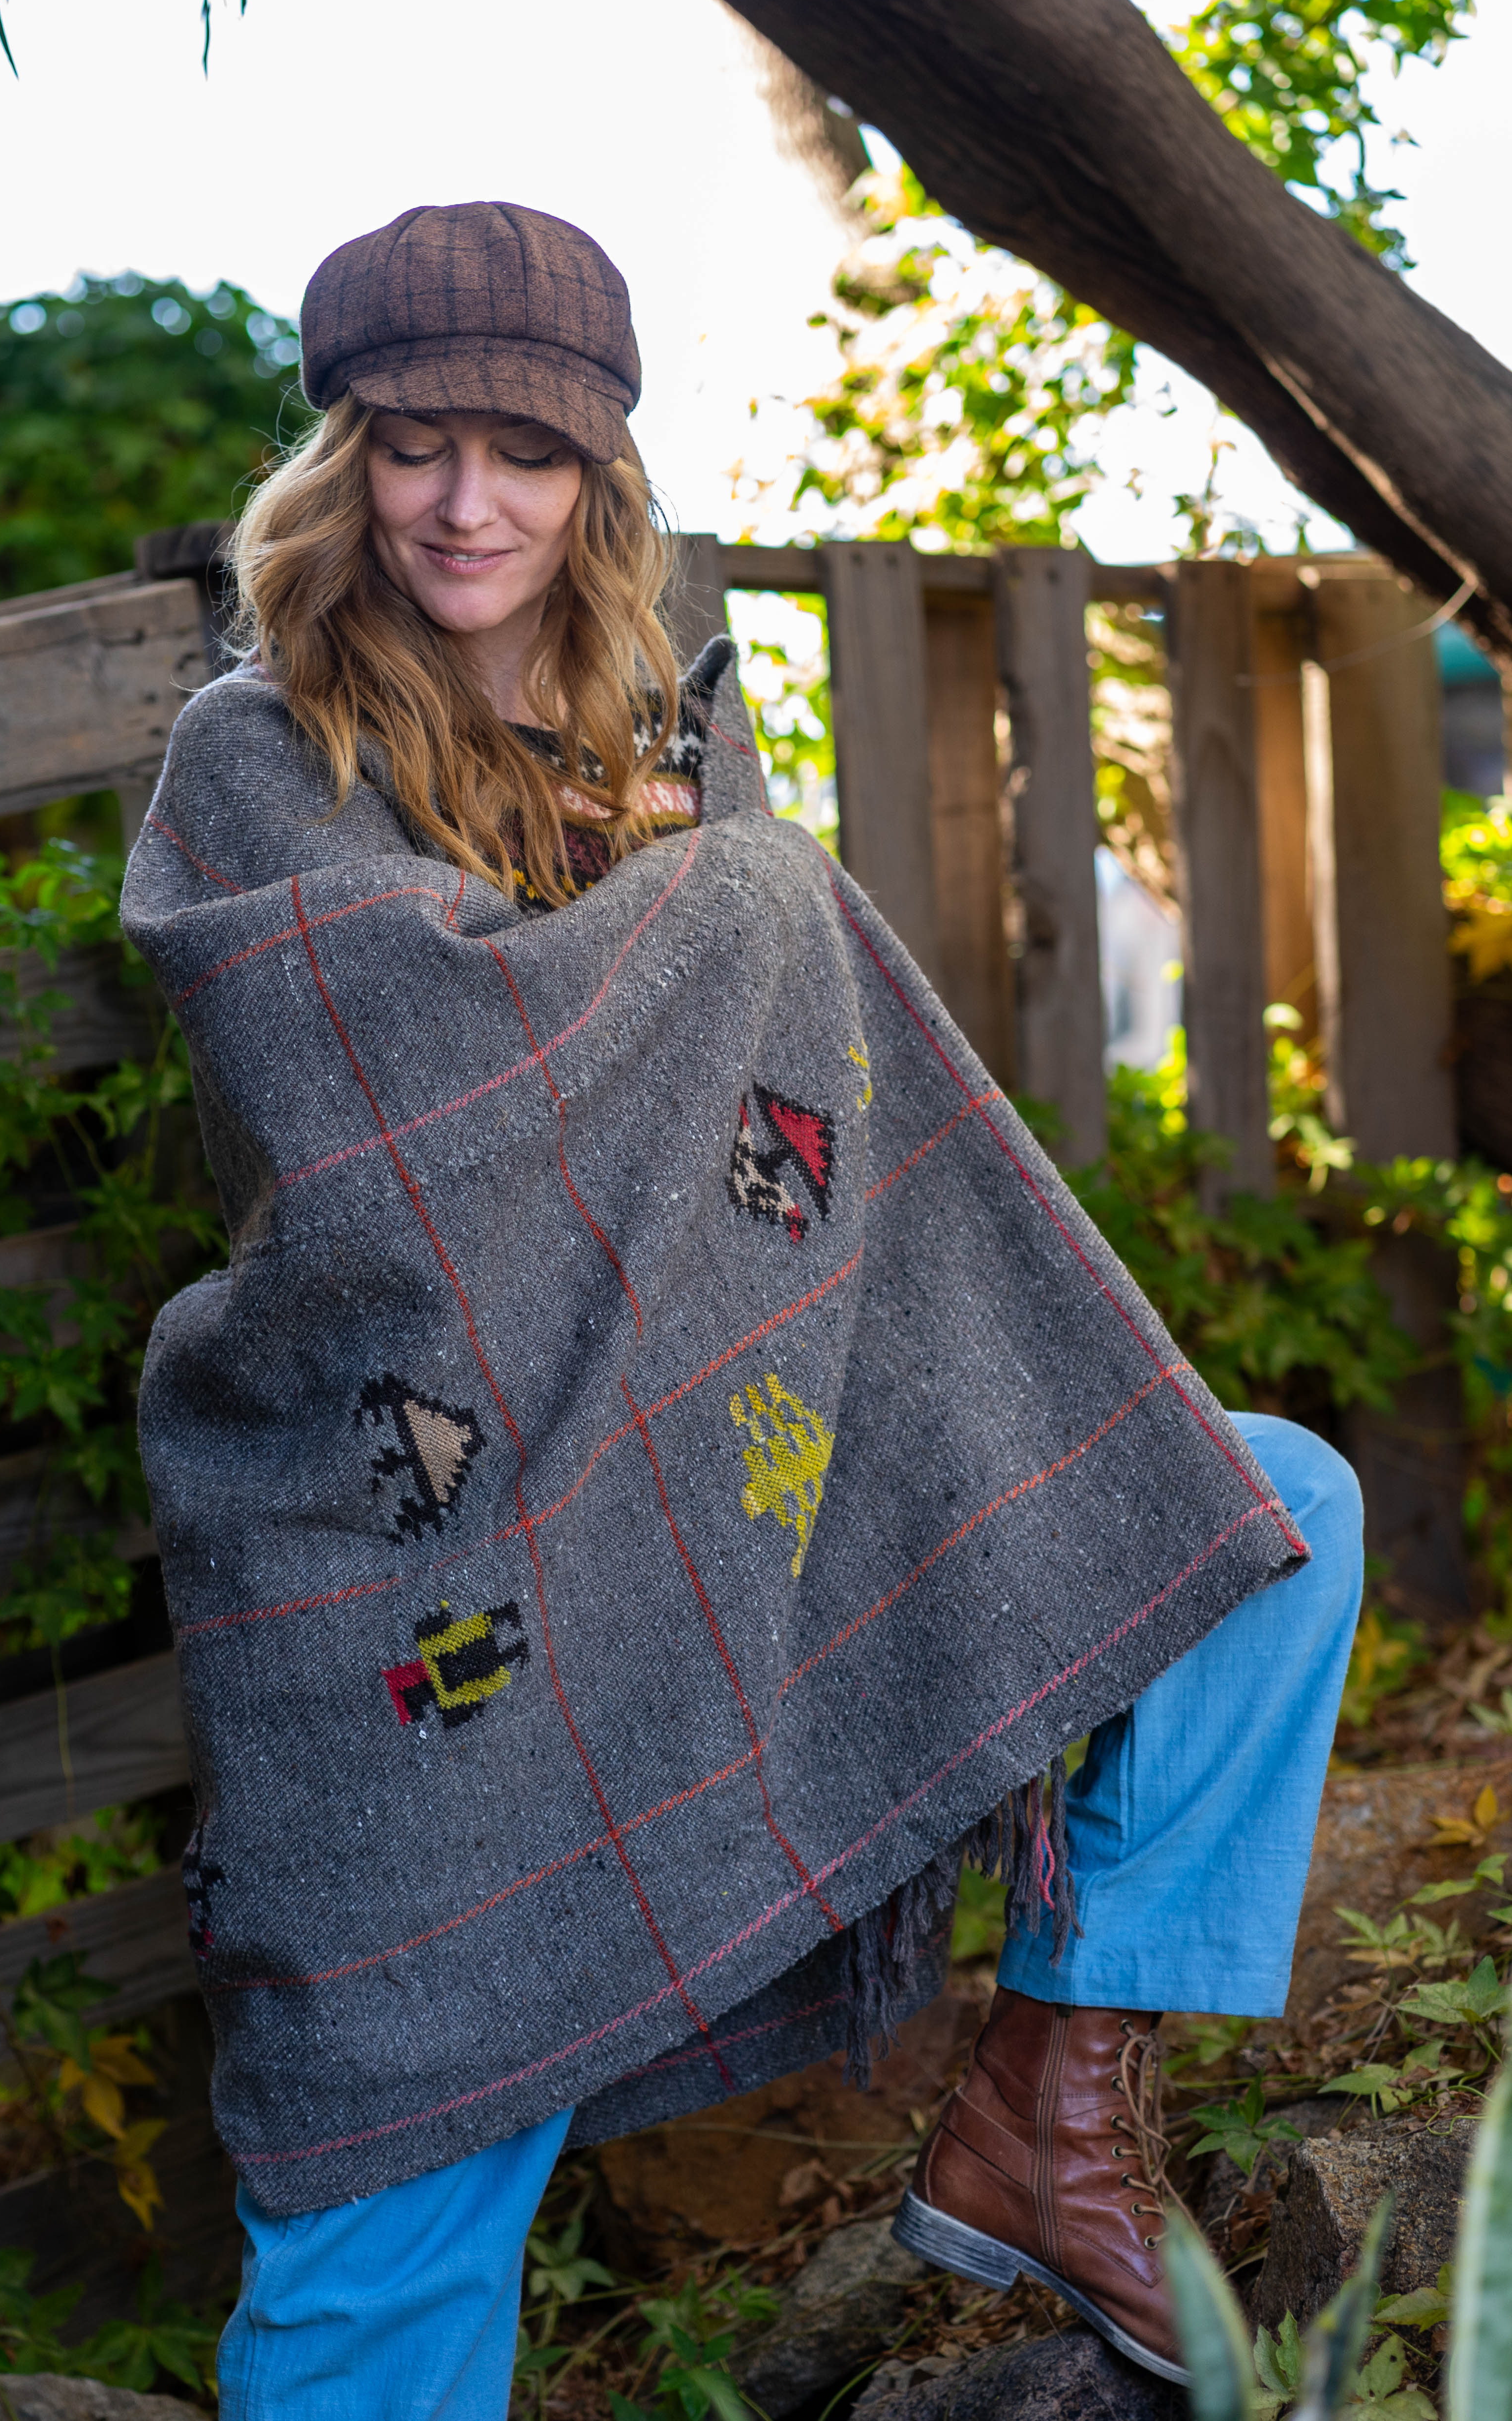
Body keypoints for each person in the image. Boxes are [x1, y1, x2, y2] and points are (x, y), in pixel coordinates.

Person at [119, 203, 1363, 2418]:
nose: (467, 503)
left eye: (525, 451)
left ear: (599, 474)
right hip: (426, 1536)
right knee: (397, 2168)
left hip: (722, 1461)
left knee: (1271, 1514)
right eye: (412, 446)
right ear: (342, 461)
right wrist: (723, 900)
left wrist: (712, 882)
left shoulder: (677, 734)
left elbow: (775, 1156)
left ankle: (1050, 2103)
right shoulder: (259, 757)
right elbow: (407, 1138)